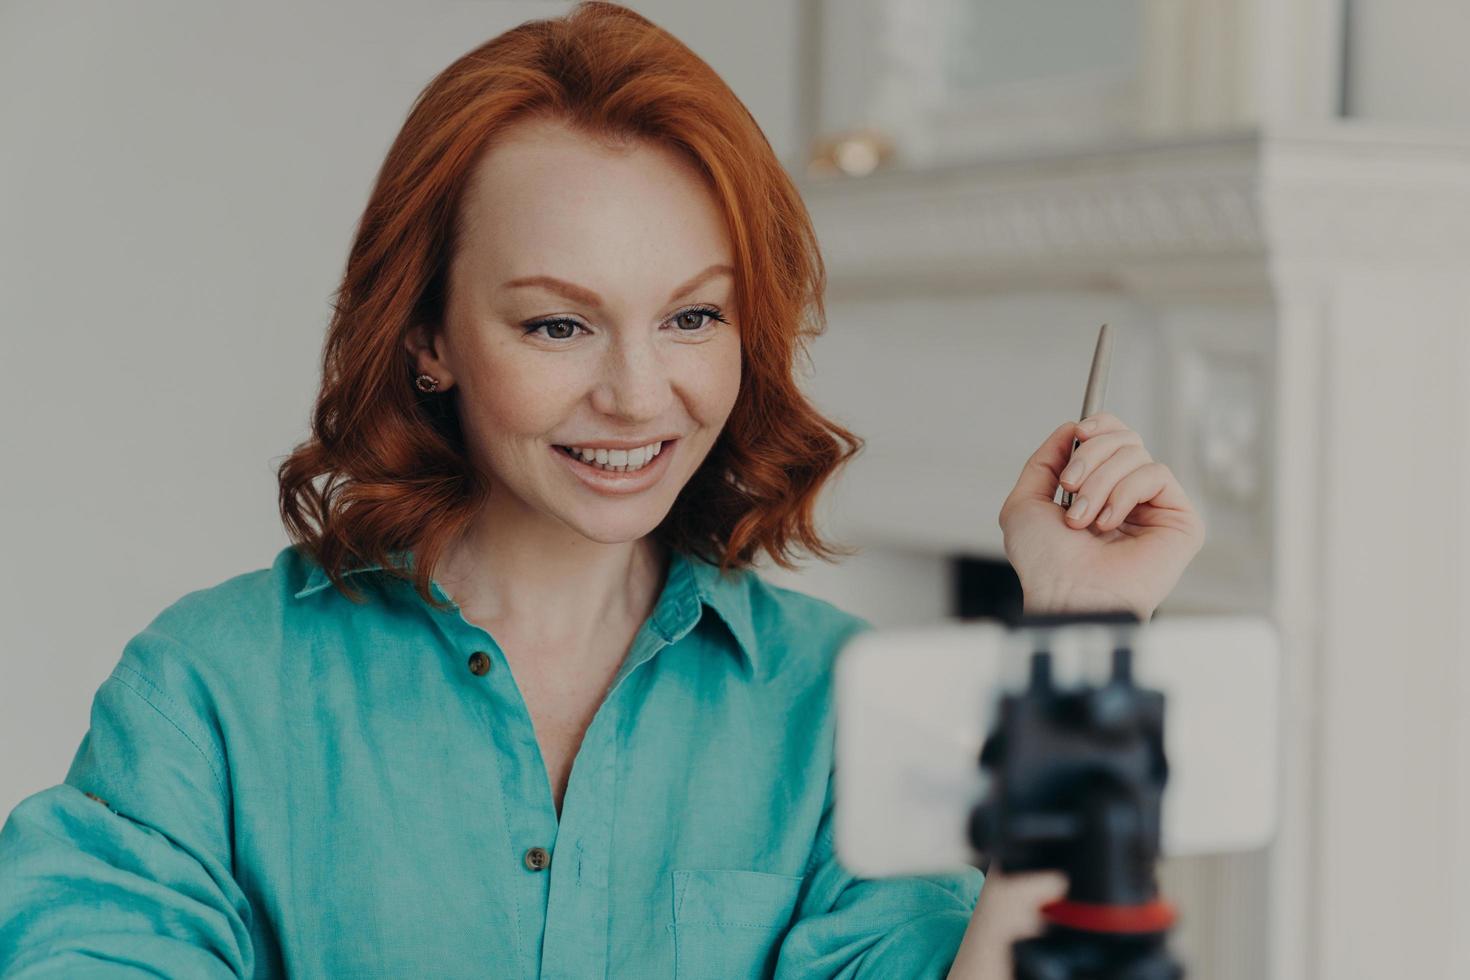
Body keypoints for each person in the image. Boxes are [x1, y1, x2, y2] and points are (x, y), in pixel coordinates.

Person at [0, 3, 1205, 977]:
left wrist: (1083, 639)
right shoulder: (210, 691)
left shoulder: (841, 701)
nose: (638, 395)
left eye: (692, 314)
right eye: (559, 322)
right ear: (428, 337)